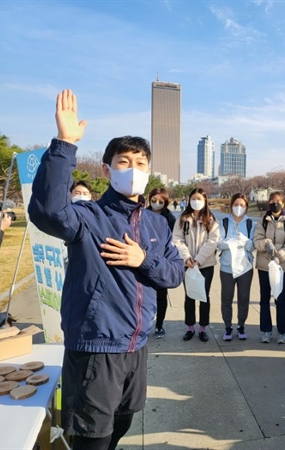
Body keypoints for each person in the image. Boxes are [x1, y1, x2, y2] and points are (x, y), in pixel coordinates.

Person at [28, 89, 184, 450]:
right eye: (124, 162)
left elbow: (173, 275)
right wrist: (65, 143)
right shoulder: (88, 217)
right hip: (96, 348)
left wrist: (142, 260)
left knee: (123, 422)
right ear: (107, 168)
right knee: (91, 440)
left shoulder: (157, 224)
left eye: (141, 163)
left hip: (137, 347)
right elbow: (48, 212)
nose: (134, 170)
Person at [173, 187, 220, 343]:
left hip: (205, 264)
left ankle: (203, 328)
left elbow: (212, 241)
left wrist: (198, 259)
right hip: (188, 264)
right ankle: (190, 327)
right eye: (193, 198)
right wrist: (187, 258)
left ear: (205, 200)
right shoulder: (182, 218)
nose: (196, 201)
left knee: (204, 296)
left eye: (199, 199)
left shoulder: (211, 219)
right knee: (190, 295)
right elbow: (177, 240)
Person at [253, 191, 285, 344]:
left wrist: (280, 257)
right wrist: (266, 243)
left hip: (281, 267)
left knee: (280, 299)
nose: (274, 203)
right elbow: (256, 241)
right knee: (264, 299)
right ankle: (266, 330)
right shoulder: (262, 221)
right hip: (264, 266)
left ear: (283, 203)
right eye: (272, 200)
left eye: (278, 201)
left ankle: (282, 331)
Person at [217, 193, 255, 341]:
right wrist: (230, 243)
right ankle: (227, 327)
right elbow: (218, 244)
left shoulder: (251, 223)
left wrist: (244, 241)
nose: (239, 208)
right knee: (226, 298)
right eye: (236, 205)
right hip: (227, 267)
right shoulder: (224, 222)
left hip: (245, 267)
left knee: (243, 298)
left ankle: (241, 326)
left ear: (246, 207)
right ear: (231, 205)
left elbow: (253, 246)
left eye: (242, 205)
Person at [147, 187, 176, 338]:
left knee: (161, 295)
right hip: (143, 259)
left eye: (160, 201)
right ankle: (145, 324)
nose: (156, 203)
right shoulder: (142, 215)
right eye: (154, 200)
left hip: (162, 262)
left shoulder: (170, 219)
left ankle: (159, 325)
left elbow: (173, 241)